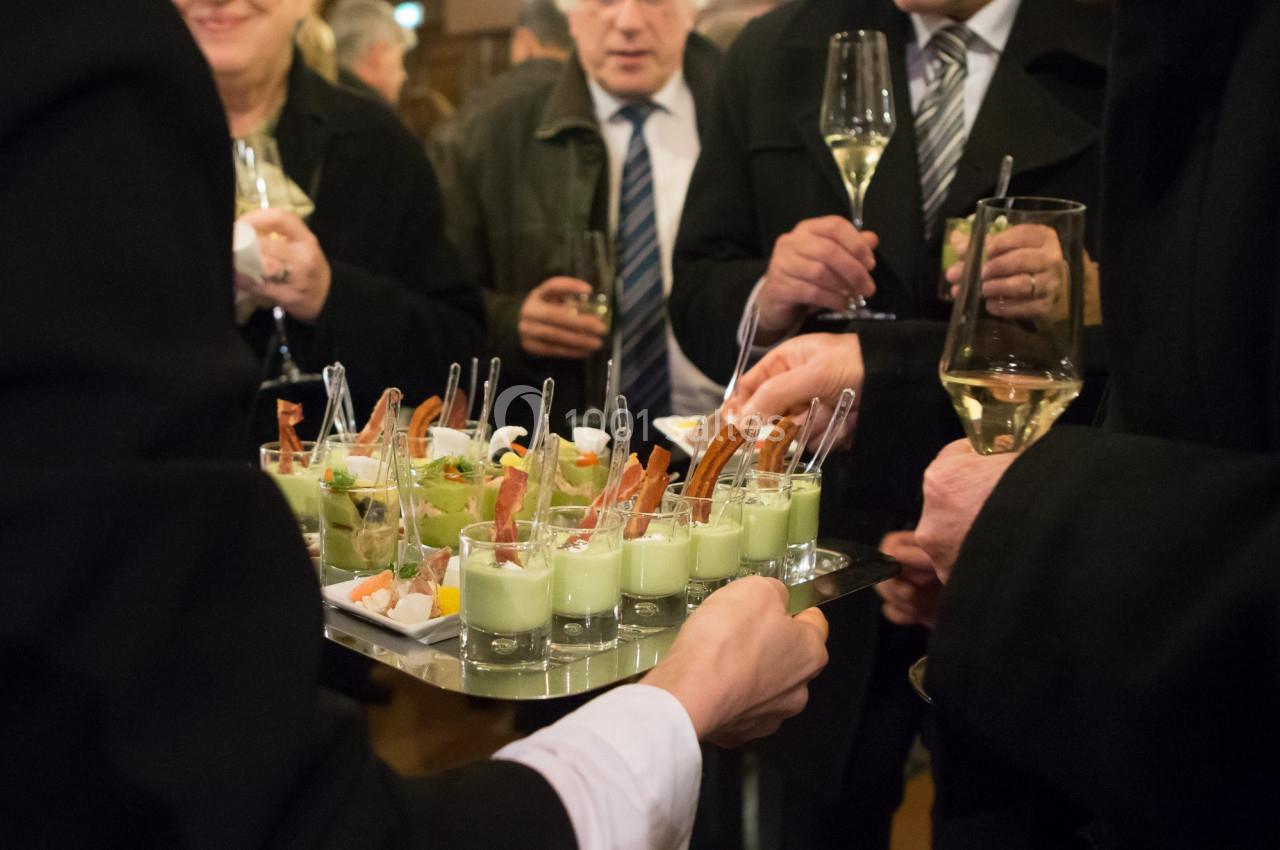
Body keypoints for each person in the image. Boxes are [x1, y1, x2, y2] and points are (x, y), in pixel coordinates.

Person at [0, 2, 831, 847]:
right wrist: (680, 709)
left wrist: (333, 294)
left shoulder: (375, 145)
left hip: (651, 473)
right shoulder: (105, 133)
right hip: (207, 591)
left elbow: (448, 331)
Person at [734, 0, 1280, 845]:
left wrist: (1025, 535)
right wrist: (834, 343)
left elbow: (1186, 359)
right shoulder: (777, 48)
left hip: (1138, 680)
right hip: (864, 534)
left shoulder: (1109, 39)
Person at [672, 0, 1110, 846]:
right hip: (822, 548)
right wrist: (768, 295)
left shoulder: (1124, 46)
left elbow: (1200, 320)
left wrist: (1093, 295)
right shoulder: (773, 51)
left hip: (1027, 545)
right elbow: (697, 289)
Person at [178, 0, 484, 435]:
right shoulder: (107, 142)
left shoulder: (375, 144)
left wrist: (330, 294)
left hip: (331, 466)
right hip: (159, 465)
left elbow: (458, 352)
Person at [434, 0, 724, 436]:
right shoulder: (486, 138)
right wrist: (510, 322)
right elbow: (433, 304)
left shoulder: (749, 120)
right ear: (569, 12)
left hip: (733, 443)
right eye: (605, 0)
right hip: (563, 446)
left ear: (693, 10)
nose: (628, 22)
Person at [330, 0, 416, 106]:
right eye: (399, 62)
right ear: (378, 55)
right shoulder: (371, 114)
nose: (403, 76)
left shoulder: (319, 100)